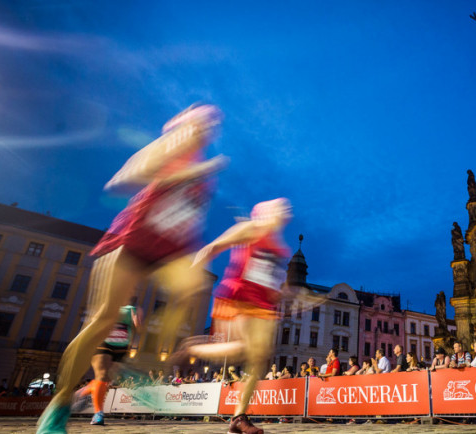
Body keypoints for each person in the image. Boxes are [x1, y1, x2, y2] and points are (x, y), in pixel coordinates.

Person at [37, 105, 225, 434]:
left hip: (166, 249)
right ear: (187, 124)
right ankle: (59, 404)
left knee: (194, 289)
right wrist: (184, 170)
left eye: (212, 125)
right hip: (131, 239)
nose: (208, 129)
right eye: (203, 123)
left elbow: (186, 217)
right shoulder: (171, 144)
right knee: (104, 318)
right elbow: (124, 179)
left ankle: (138, 363)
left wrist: (188, 257)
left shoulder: (201, 172)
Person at [185, 197, 293, 434]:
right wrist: (193, 272)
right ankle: (193, 349)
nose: (287, 211)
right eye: (281, 207)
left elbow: (273, 280)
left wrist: (282, 293)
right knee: (246, 349)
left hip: (263, 304)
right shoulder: (250, 228)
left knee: (260, 358)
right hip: (240, 295)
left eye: (287, 209)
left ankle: (238, 417)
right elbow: (213, 246)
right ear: (267, 211)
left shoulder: (279, 247)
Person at [73, 304, 141, 425]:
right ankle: (98, 413)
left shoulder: (132, 308)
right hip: (103, 341)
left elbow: (138, 328)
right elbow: (94, 321)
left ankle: (87, 389)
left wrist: (137, 322)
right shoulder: (106, 304)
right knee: (102, 375)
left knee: (108, 380)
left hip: (122, 345)